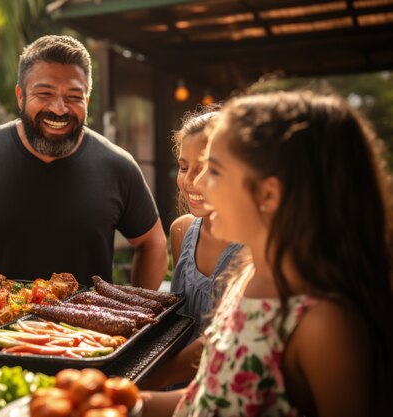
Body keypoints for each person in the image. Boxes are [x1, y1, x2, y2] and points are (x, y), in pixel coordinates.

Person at [142, 90, 393, 416]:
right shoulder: (247, 279)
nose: (198, 184)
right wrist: (122, 402)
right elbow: (210, 398)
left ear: (269, 194)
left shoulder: (324, 325)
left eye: (214, 170)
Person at [0, 35, 168, 289]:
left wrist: (138, 307)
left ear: (88, 98)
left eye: (74, 96)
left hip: (85, 328)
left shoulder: (118, 166)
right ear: (20, 95)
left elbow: (153, 243)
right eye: (44, 93)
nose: (60, 109)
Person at [142, 108, 242, 390]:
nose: (190, 181)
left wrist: (151, 381)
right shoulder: (182, 230)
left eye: (205, 169)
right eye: (185, 167)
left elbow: (225, 338)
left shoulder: (251, 248)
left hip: (225, 387)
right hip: (173, 382)